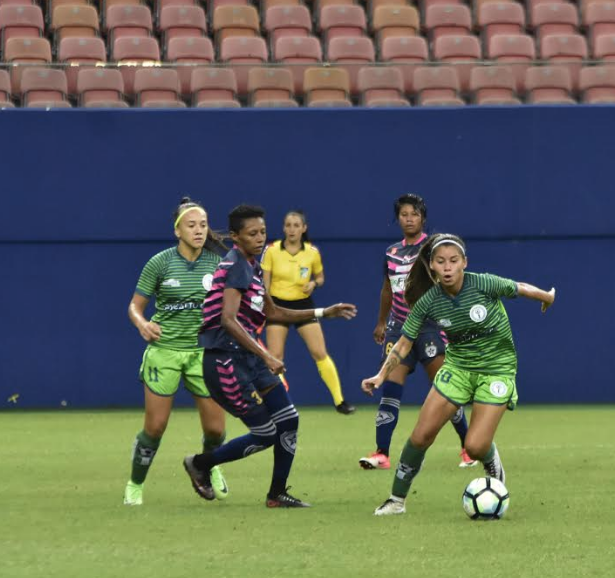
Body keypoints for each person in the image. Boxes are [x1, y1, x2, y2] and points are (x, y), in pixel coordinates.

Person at [361, 233, 556, 516]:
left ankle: (491, 459)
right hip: (458, 368)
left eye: (454, 260)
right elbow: (403, 343)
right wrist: (380, 376)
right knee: (420, 436)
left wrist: (546, 296)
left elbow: (519, 287)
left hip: (497, 369)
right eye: (441, 262)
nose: (448, 267)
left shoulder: (482, 282)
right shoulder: (428, 301)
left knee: (475, 446)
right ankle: (396, 500)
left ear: (464, 262)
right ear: (432, 266)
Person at [181, 204, 357, 508]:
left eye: (262, 231)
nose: (260, 237)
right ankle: (200, 463)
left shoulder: (255, 265)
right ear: (236, 237)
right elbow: (228, 319)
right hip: (225, 361)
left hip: (248, 359)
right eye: (252, 233)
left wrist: (322, 312)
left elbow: (272, 311)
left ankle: (277, 494)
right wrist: (268, 355)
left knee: (289, 420)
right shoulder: (236, 264)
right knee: (266, 433)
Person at [124, 198, 229, 506]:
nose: (198, 230)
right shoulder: (159, 263)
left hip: (203, 353)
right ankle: (135, 483)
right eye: (191, 225)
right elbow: (134, 306)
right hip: (165, 352)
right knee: (155, 428)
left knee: (215, 429)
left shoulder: (217, 264)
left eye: (203, 225)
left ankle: (210, 466)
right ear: (177, 230)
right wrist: (142, 324)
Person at [361, 194, 474, 471]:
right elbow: (388, 289)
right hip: (398, 328)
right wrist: (380, 322)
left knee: (447, 390)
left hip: (430, 327)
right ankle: (381, 453)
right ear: (397, 219)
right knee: (389, 388)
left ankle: (468, 448)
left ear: (423, 217)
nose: (409, 218)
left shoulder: (433, 248)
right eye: (404, 214)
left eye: (414, 214)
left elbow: (451, 279)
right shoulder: (391, 252)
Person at [262, 210, 355, 415]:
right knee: (275, 357)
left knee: (319, 353)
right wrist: (267, 308)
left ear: (304, 228)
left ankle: (340, 401)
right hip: (277, 306)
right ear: (283, 228)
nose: (292, 229)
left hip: (303, 305)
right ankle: (278, 404)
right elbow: (264, 285)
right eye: (288, 225)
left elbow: (320, 278)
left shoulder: (312, 252)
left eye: (296, 225)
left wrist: (314, 283)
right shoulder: (271, 251)